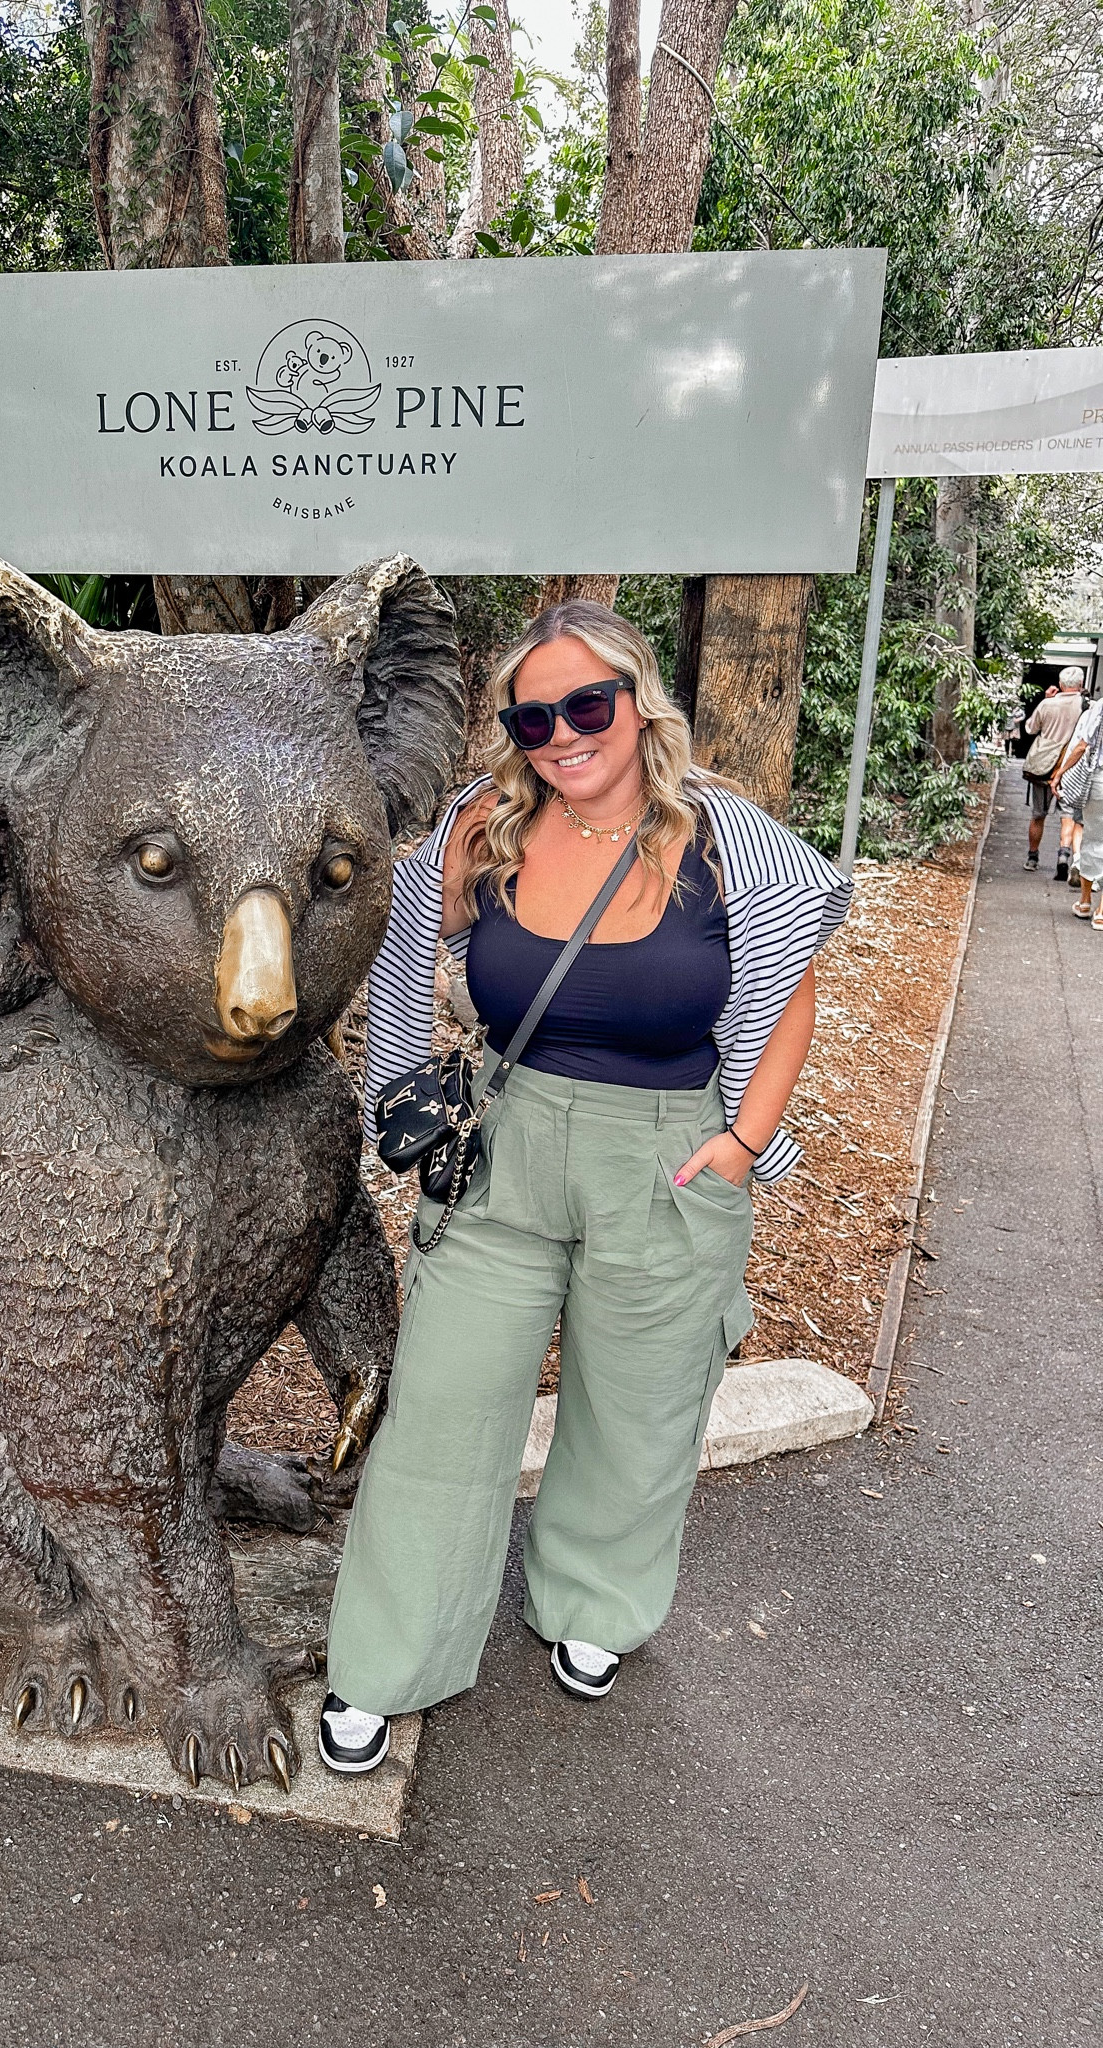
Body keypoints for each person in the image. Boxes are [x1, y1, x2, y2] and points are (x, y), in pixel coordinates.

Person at [317, 600, 851, 1777]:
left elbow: (789, 995)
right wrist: (404, 1101)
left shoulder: (731, 845)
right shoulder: (486, 829)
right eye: (534, 714)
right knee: (445, 1410)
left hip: (664, 1153)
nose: (563, 733)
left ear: (638, 701)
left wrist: (742, 1145)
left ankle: (595, 1604)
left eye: (586, 704)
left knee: (639, 1405)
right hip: (511, 1143)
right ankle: (388, 1653)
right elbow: (405, 945)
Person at [1023, 670, 1086, 875]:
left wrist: (1047, 701)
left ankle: (1032, 858)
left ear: (1060, 683)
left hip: (1044, 768)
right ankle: (1063, 855)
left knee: (1038, 814)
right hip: (1071, 770)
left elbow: (1031, 729)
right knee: (1068, 816)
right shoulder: (1087, 706)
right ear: (1081, 683)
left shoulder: (1047, 704)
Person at [1052, 688, 1103, 921]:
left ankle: (1085, 902)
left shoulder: (1100, 706)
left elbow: (1083, 745)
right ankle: (1102, 913)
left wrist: (1061, 772)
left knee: (1093, 839)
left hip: (1099, 782)